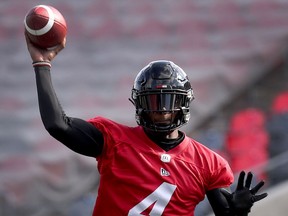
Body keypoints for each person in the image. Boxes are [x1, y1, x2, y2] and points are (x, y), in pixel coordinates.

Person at [25, 32, 267, 216]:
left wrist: (236, 214)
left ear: (184, 103)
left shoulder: (207, 163)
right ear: (139, 104)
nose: (161, 110)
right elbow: (58, 125)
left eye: (168, 101)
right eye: (153, 101)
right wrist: (42, 64)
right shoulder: (113, 140)